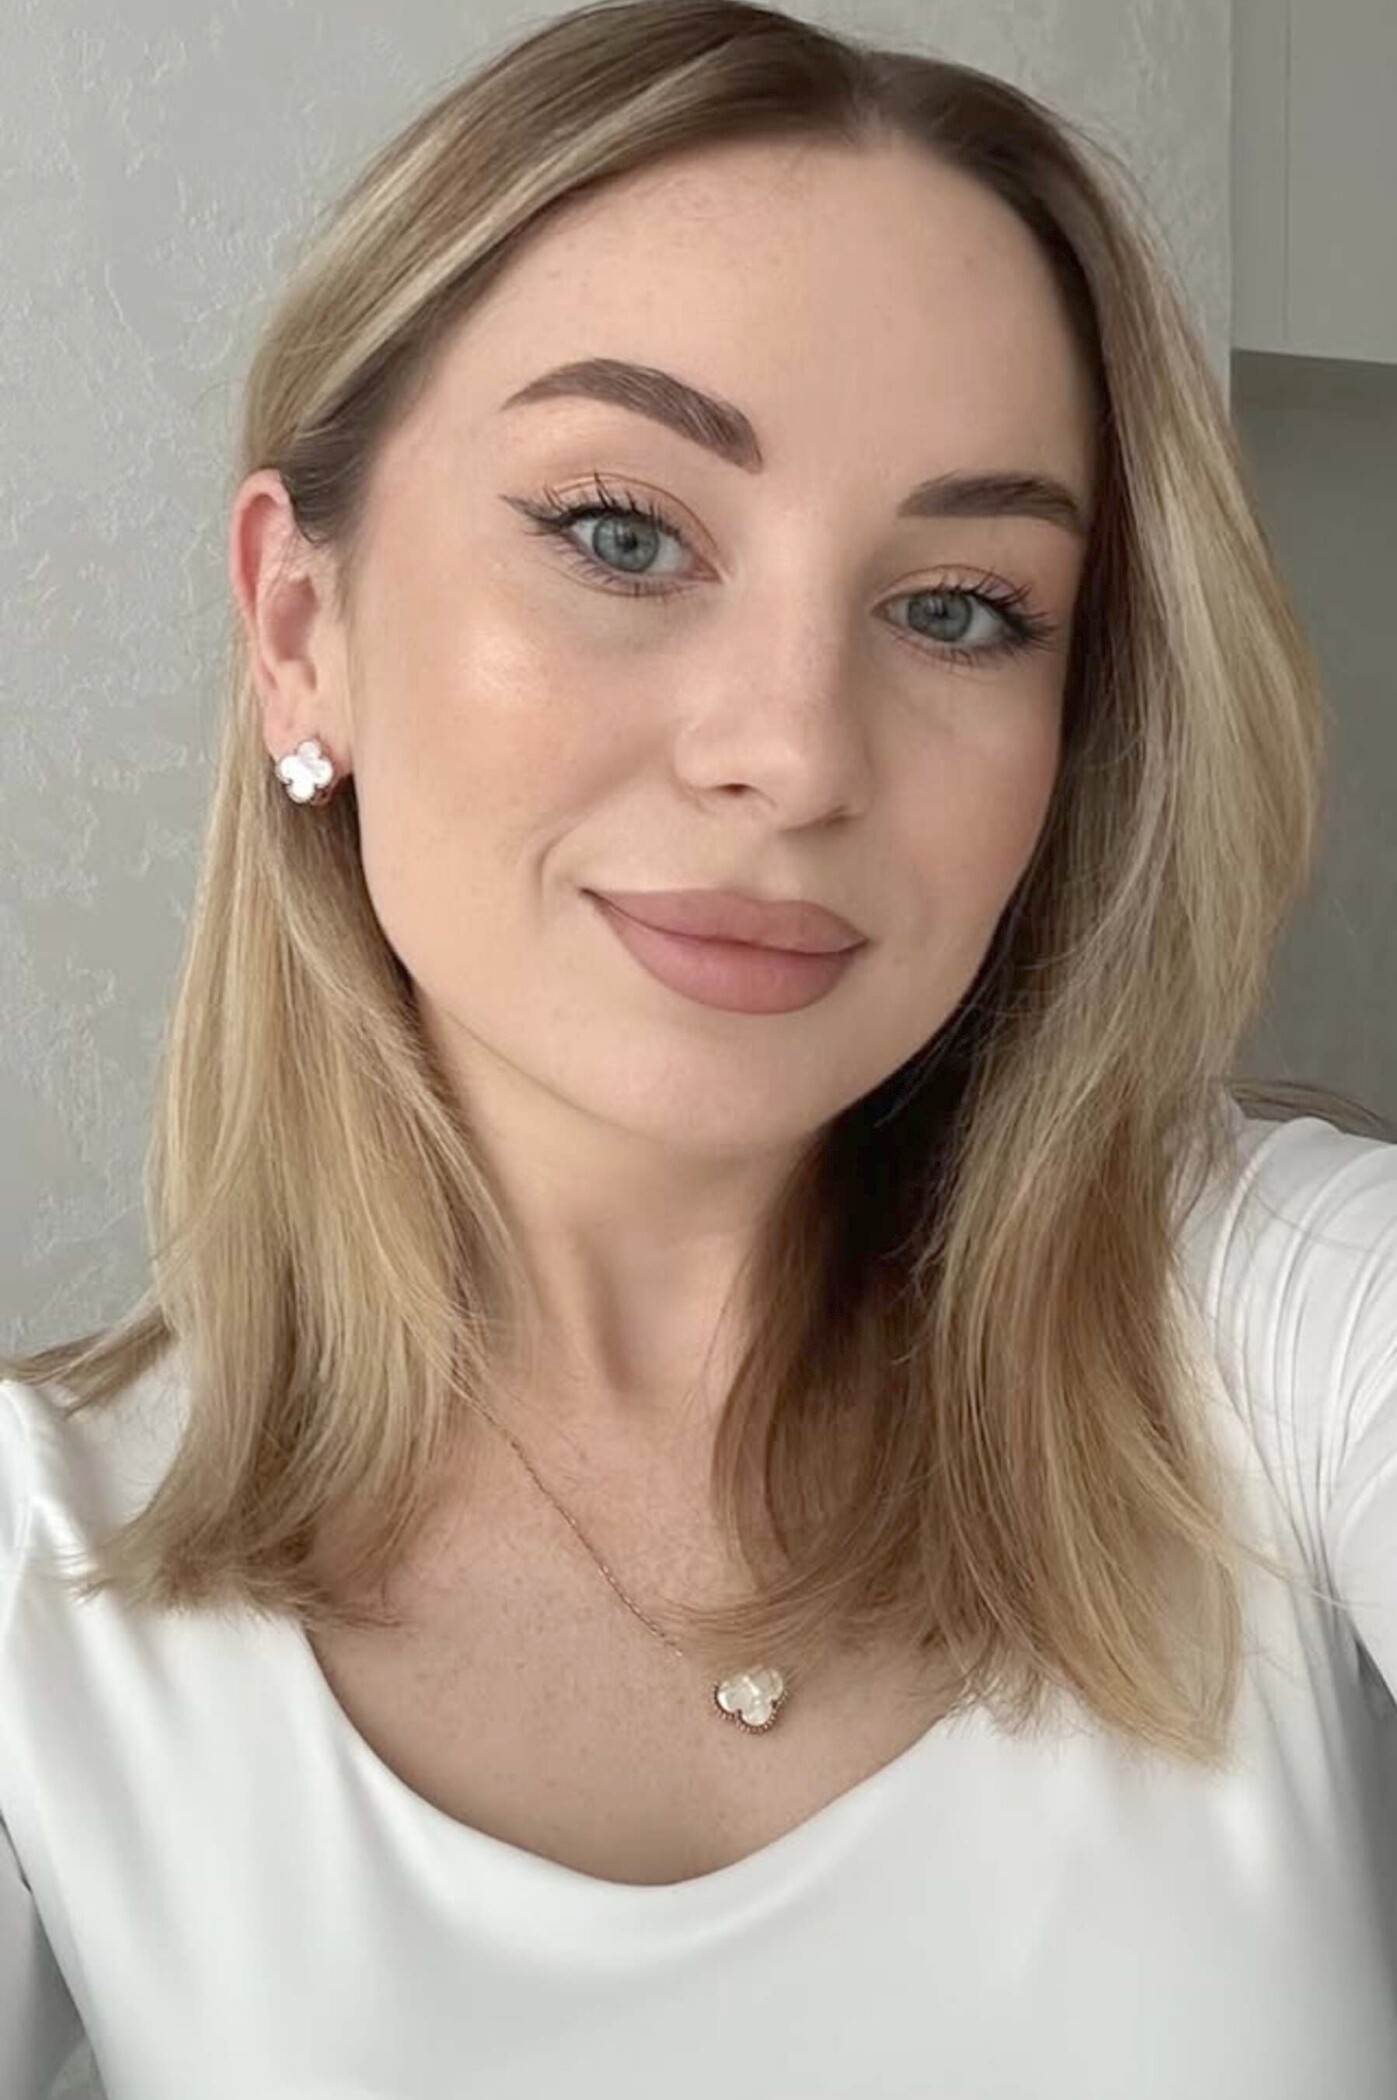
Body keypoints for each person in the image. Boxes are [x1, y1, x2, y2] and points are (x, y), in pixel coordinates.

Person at [3, 3, 1396, 2094]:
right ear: (302, 627)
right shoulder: (42, 1579)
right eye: (623, 534)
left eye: (960, 606)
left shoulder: (1289, 1320)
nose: (795, 754)